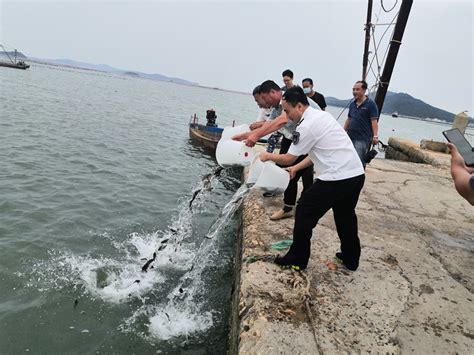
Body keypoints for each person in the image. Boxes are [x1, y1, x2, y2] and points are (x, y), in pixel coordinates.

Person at [259, 86, 365, 271]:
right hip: (355, 174)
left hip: (337, 177)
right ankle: (351, 258)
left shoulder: (306, 126)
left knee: (304, 211)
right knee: (345, 216)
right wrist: (296, 168)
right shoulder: (322, 116)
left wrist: (266, 156)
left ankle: (297, 258)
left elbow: (287, 157)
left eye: (287, 110)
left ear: (299, 106)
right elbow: (316, 152)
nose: (286, 115)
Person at [234, 80, 317, 220]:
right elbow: (269, 124)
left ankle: (289, 207)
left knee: (292, 171)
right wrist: (244, 136)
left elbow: (282, 121)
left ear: (273, 92)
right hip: (291, 136)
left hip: (307, 137)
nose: (263, 103)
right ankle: (300, 202)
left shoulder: (288, 100)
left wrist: (256, 137)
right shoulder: (275, 106)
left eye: (263, 98)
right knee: (299, 171)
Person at [343, 80, 379, 167]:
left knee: (359, 160)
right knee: (348, 159)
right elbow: (349, 119)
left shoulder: (370, 104)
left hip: (362, 138)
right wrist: (343, 131)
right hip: (350, 136)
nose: (354, 92)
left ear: (364, 90)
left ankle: (359, 177)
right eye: (353, 89)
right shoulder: (352, 104)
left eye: (357, 89)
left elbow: (374, 121)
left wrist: (375, 136)